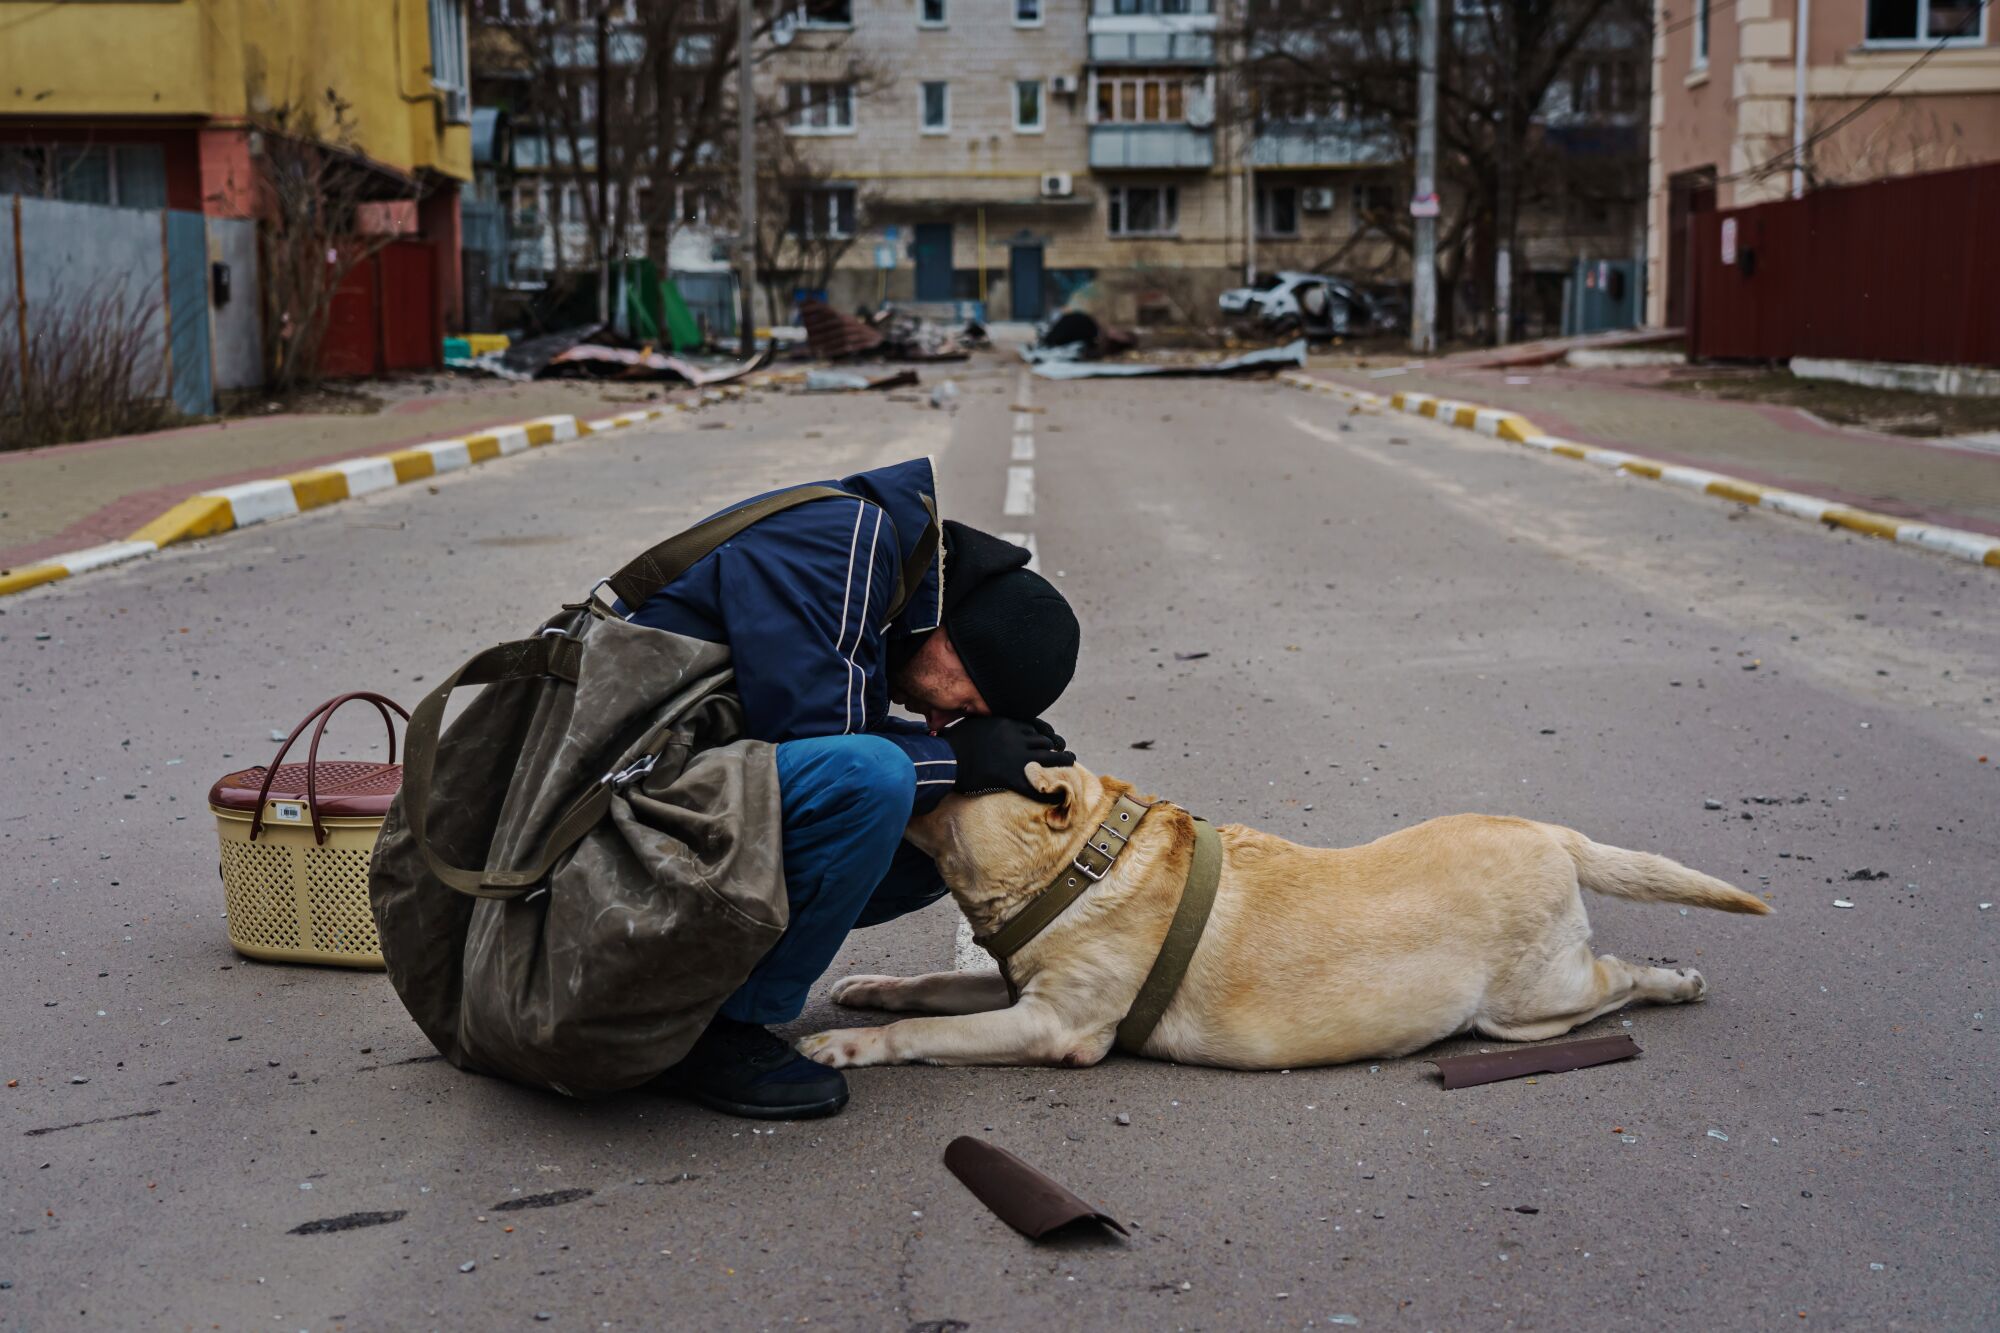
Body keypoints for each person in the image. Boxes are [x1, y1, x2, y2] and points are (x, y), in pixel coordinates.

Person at [622, 457, 1080, 1118]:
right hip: (608, 795)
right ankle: (718, 1034)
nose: (938, 718)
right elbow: (822, 749)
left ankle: (701, 981)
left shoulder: (877, 567)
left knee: (937, 813)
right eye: (965, 702)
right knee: (882, 777)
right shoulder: (847, 541)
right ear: (953, 638)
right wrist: (954, 755)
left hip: (664, 781)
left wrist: (961, 766)